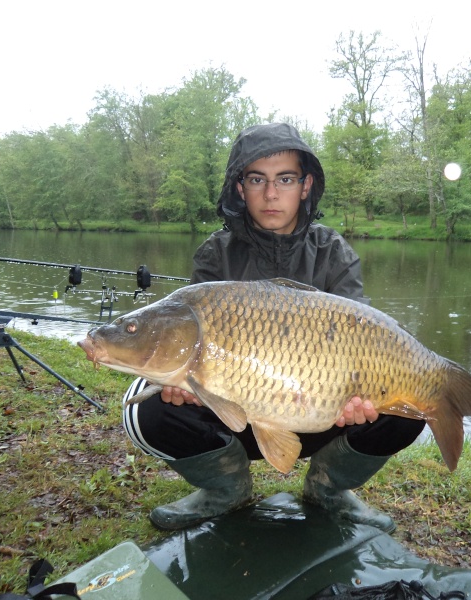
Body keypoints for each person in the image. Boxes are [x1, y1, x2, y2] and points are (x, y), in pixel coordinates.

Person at [121, 123, 425, 533]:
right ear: (239, 188)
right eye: (256, 179)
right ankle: (224, 488)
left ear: (305, 186)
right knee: (146, 405)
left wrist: (361, 398)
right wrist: (186, 385)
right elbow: (187, 340)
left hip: (324, 414)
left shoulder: (334, 253)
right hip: (231, 415)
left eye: (284, 179)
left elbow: (365, 336)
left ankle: (329, 489)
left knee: (415, 401)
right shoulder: (215, 254)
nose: (270, 193)